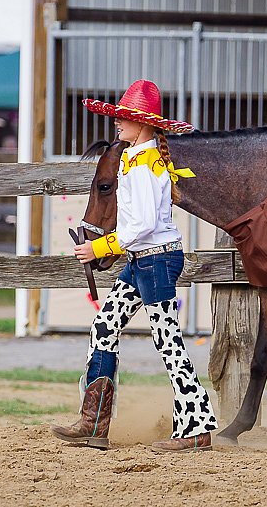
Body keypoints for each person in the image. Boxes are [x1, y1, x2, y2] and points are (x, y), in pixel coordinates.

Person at [51, 79, 218, 452]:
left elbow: (141, 226)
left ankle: (196, 427)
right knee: (105, 325)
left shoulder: (144, 166)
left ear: (142, 124)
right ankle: (94, 423)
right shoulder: (136, 158)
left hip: (155, 260)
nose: (117, 123)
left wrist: (101, 247)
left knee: (167, 341)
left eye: (124, 118)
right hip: (144, 259)